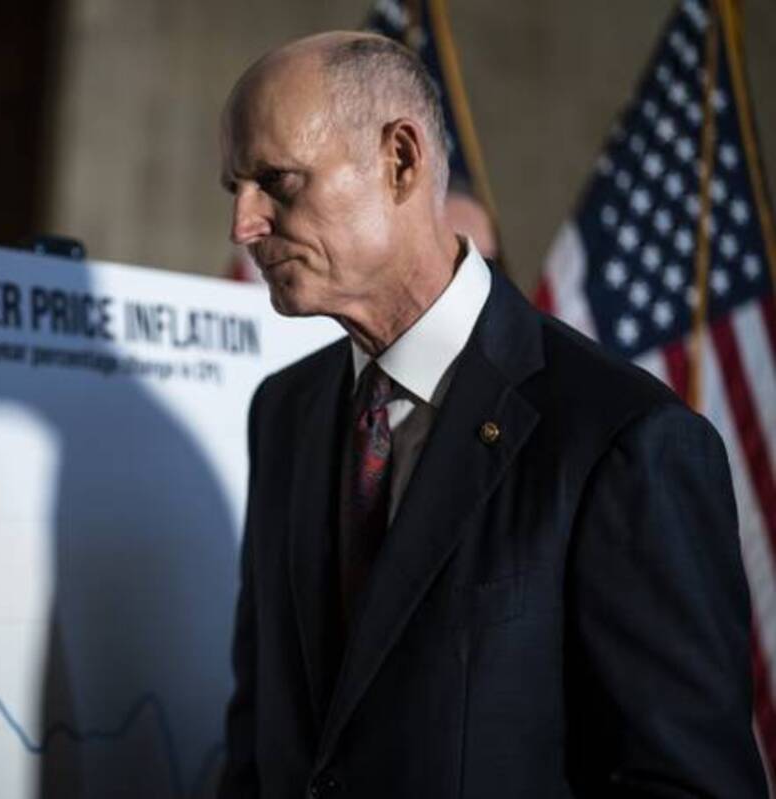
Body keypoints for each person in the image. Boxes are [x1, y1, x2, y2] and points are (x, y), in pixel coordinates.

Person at [217, 31, 765, 797]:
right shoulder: (282, 413)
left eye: (276, 181)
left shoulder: (624, 440)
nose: (244, 224)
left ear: (400, 161)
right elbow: (258, 745)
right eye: (234, 188)